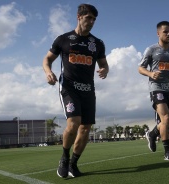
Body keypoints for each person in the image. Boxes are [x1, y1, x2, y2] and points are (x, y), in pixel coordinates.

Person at [42, 4, 109, 178]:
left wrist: (104, 70)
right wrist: (49, 72)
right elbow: (47, 59)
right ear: (79, 17)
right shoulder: (63, 39)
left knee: (86, 128)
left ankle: (73, 163)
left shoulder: (97, 43)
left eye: (94, 19)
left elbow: (104, 64)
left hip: (88, 90)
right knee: (74, 122)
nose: (92, 22)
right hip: (68, 87)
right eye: (88, 18)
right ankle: (64, 158)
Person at [138, 21, 169, 160]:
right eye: (165, 32)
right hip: (157, 88)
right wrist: (150, 74)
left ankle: (152, 134)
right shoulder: (151, 50)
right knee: (165, 118)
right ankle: (168, 152)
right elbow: (140, 68)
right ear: (158, 33)